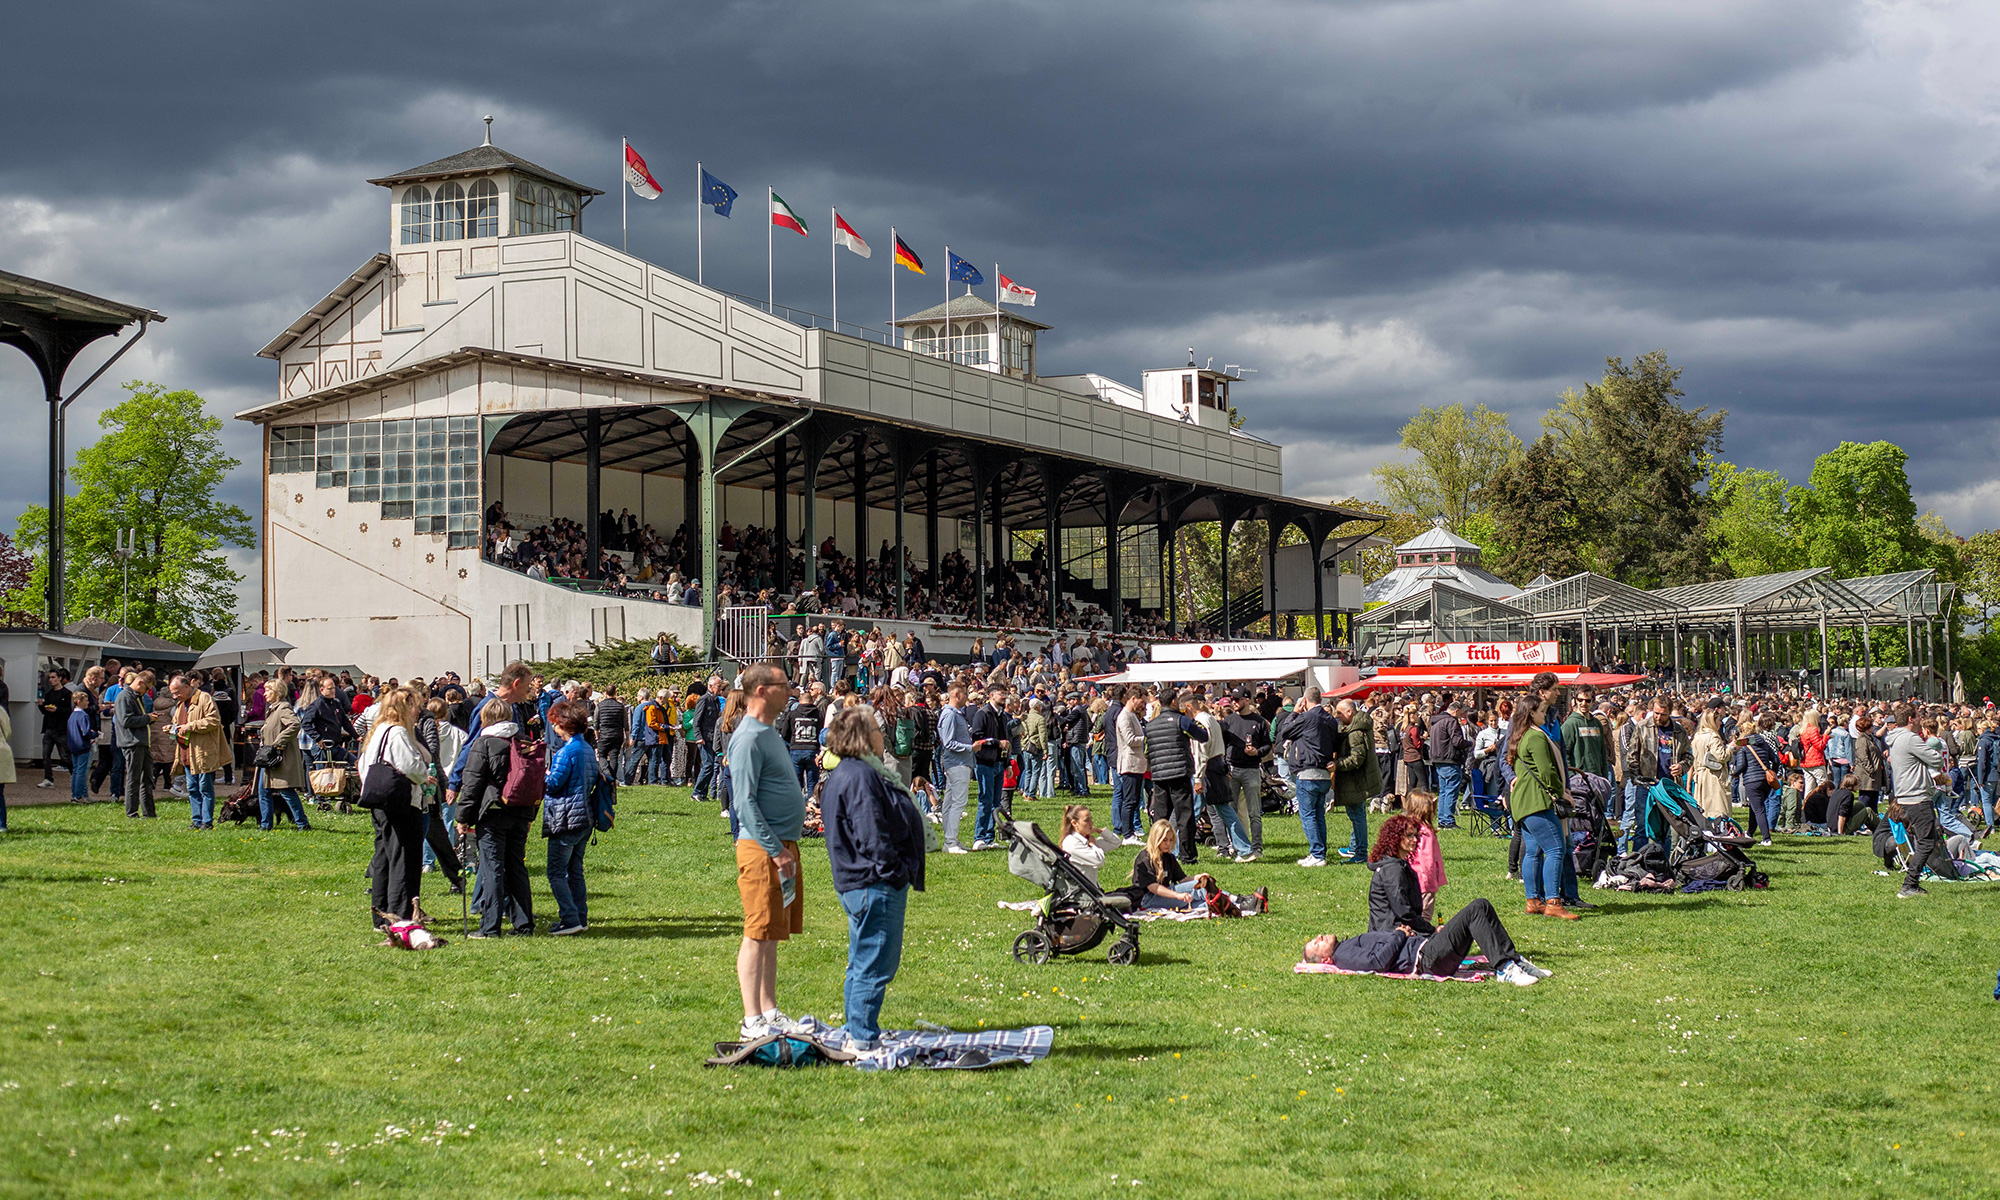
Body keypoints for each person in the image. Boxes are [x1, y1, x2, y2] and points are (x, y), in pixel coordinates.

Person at [819, 706, 927, 1050]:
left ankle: (857, 1028)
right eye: (879, 730)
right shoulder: (860, 776)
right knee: (874, 963)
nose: (884, 736)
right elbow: (871, 833)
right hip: (873, 882)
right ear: (865, 737)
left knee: (862, 960)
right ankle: (863, 1037)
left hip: (859, 880)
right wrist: (894, 871)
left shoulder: (849, 772)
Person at [729, 663, 809, 1041]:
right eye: (784, 684)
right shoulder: (748, 738)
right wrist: (776, 850)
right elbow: (743, 803)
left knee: (772, 932)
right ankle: (752, 1020)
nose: (790, 689)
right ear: (761, 690)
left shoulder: (770, 732)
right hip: (764, 850)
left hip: (781, 847)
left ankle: (769, 1010)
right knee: (757, 932)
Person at [454, 697, 537, 937]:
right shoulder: (523, 741)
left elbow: (472, 783)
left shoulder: (484, 743)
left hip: (492, 812)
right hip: (520, 810)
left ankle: (490, 926)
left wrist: (462, 817)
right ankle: (523, 924)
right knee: (516, 868)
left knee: (493, 869)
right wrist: (530, 814)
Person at [1506, 691, 1578, 920]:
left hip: (1522, 802)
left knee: (1533, 852)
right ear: (1531, 713)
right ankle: (1553, 902)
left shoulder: (1520, 735)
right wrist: (1562, 793)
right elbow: (1546, 771)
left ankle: (1533, 900)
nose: (1545, 716)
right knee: (1556, 849)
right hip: (1537, 801)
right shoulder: (1536, 737)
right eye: (1542, 711)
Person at [361, 688, 429, 928]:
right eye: (416, 706)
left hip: (379, 800)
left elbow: (363, 765)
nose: (418, 711)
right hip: (400, 802)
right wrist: (424, 774)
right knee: (402, 859)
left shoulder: (378, 731)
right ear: (406, 707)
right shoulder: (398, 732)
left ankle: (380, 914)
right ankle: (400, 914)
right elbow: (412, 767)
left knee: (383, 856)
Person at [1128, 818, 1266, 913]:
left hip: (1165, 893)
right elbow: (1153, 887)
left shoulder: (1168, 857)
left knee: (1203, 902)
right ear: (1156, 839)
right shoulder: (1145, 857)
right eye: (1164, 840)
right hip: (1148, 899)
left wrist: (1197, 877)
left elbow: (1182, 879)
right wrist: (1177, 895)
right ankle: (1239, 900)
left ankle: (1240, 907)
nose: (1168, 844)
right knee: (1202, 888)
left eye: (1170, 840)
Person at [541, 699, 596, 935]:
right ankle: (580, 917)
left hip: (566, 818)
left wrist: (542, 774)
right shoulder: (587, 748)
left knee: (556, 871)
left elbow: (553, 784)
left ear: (564, 724)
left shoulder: (566, 752)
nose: (554, 728)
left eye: (555, 723)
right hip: (584, 817)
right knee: (575, 871)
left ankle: (570, 918)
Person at [1885, 703, 1949, 899]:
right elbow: (1936, 760)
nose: (1921, 719)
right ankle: (1909, 884)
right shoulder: (1910, 738)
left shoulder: (1895, 738)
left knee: (1924, 840)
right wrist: (1933, 746)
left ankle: (1911, 883)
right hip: (1917, 796)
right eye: (1918, 716)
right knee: (1927, 842)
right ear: (1910, 719)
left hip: (1906, 794)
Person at [1280, 687, 1339, 867]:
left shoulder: (1307, 717)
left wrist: (1295, 712)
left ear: (1304, 701)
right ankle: (1319, 853)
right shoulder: (1330, 718)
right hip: (1324, 773)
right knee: (1319, 815)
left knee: (1308, 815)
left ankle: (1317, 854)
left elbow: (1285, 731)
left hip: (1308, 773)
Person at [169, 673, 228, 831]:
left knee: (205, 788)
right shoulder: (181, 704)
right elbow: (177, 722)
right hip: (186, 753)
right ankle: (196, 820)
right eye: (173, 694)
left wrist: (190, 726)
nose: (174, 697)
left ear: (186, 686)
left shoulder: (204, 698)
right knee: (192, 788)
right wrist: (172, 728)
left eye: (177, 693)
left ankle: (207, 822)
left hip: (203, 752)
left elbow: (214, 720)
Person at [1332, 696, 1384, 866]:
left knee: (1357, 816)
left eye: (1340, 713)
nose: (1337, 716)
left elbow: (1356, 759)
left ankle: (1360, 852)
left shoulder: (1355, 732)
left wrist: (1336, 765)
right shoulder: (1358, 726)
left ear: (1350, 712)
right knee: (1358, 814)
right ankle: (1355, 847)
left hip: (1356, 781)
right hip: (1359, 780)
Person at [256, 679, 311, 830]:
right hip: (269, 759)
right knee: (263, 791)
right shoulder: (272, 709)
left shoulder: (283, 708)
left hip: (280, 759)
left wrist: (278, 742)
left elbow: (294, 725)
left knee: (286, 791)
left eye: (268, 690)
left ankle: (302, 823)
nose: (265, 694)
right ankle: (265, 825)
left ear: (277, 692)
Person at [936, 683, 977, 854]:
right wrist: (970, 747)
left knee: (950, 803)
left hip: (959, 763)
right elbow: (948, 742)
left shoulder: (955, 714)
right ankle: (950, 841)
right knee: (958, 802)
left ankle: (951, 840)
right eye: (965, 694)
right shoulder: (950, 714)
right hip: (957, 763)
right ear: (957, 695)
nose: (967, 697)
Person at [968, 685, 1010, 851]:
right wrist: (997, 743)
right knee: (985, 800)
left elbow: (1006, 741)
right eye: (1001, 694)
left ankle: (990, 837)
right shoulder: (983, 714)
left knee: (996, 802)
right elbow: (977, 737)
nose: (1004, 696)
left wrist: (1007, 764)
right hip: (985, 763)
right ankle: (979, 837)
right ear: (992, 695)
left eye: (1005, 693)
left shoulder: (1002, 716)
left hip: (999, 763)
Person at [1402, 790, 1446, 923]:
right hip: (1424, 880)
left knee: (1412, 912)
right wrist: (1430, 881)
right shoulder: (1425, 832)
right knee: (1425, 914)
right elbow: (1427, 859)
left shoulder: (1407, 828)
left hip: (1409, 879)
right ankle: (1422, 932)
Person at [116, 671, 156, 818]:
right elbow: (126, 721)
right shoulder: (125, 697)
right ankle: (131, 812)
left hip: (142, 742)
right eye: (147, 688)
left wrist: (149, 719)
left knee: (147, 778)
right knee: (133, 779)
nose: (147, 691)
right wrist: (147, 718)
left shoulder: (137, 697)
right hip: (131, 743)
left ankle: (149, 813)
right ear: (139, 682)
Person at [1112, 688, 1149, 844]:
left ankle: (1131, 831)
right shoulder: (1124, 716)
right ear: (1133, 698)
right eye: (1142, 702)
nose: (1143, 705)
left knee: (1134, 801)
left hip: (1137, 764)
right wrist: (1146, 736)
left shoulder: (1132, 715)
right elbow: (1130, 739)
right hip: (1129, 763)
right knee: (1129, 800)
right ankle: (1127, 834)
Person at [1428, 702, 1471, 828]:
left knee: (1443, 791)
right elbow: (1457, 741)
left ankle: (1442, 819)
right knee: (1451, 790)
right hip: (1450, 759)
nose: (1461, 715)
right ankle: (1448, 820)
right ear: (1456, 710)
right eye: (1461, 713)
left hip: (1438, 759)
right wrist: (1469, 744)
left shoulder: (1436, 721)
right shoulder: (1451, 721)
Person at [1057, 804, 1122, 886]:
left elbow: (1116, 842)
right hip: (1081, 891)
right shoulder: (1072, 843)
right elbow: (1099, 861)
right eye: (1086, 820)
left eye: (1091, 819)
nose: (1091, 823)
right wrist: (1093, 844)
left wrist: (1099, 830)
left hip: (1092, 889)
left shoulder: (1085, 840)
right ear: (1074, 823)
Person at [1689, 709, 1731, 820]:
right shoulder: (1713, 737)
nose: (1720, 723)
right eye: (1718, 720)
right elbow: (1721, 756)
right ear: (1713, 721)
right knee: (1718, 809)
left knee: (1704, 809)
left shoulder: (1697, 736)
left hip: (1700, 775)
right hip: (1713, 776)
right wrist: (1731, 748)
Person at [37, 668, 73, 789]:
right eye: (50, 678)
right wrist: (41, 706)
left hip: (61, 729)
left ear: (59, 678)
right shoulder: (49, 694)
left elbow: (68, 711)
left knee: (65, 756)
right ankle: (48, 778)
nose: (51, 680)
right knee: (46, 755)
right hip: (49, 727)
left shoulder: (67, 694)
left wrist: (57, 709)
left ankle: (74, 775)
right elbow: (45, 712)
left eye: (53, 677)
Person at [65, 690, 97, 804]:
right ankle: (78, 796)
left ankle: (75, 794)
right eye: (86, 700)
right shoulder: (83, 715)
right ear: (79, 701)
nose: (88, 703)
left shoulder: (72, 715)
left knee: (75, 771)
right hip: (82, 746)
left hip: (73, 746)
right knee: (81, 772)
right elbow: (86, 732)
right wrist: (95, 733)